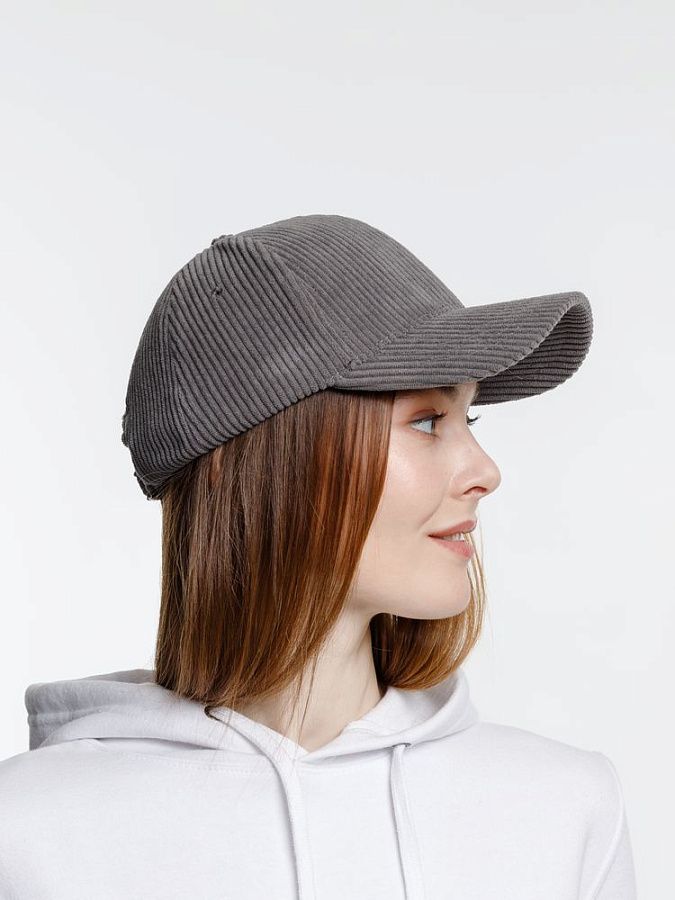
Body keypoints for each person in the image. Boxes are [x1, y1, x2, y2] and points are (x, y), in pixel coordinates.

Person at [0, 214, 637, 899]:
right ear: (270, 461)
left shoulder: (563, 809)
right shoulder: (31, 834)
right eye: (427, 421)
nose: (485, 471)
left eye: (469, 418)